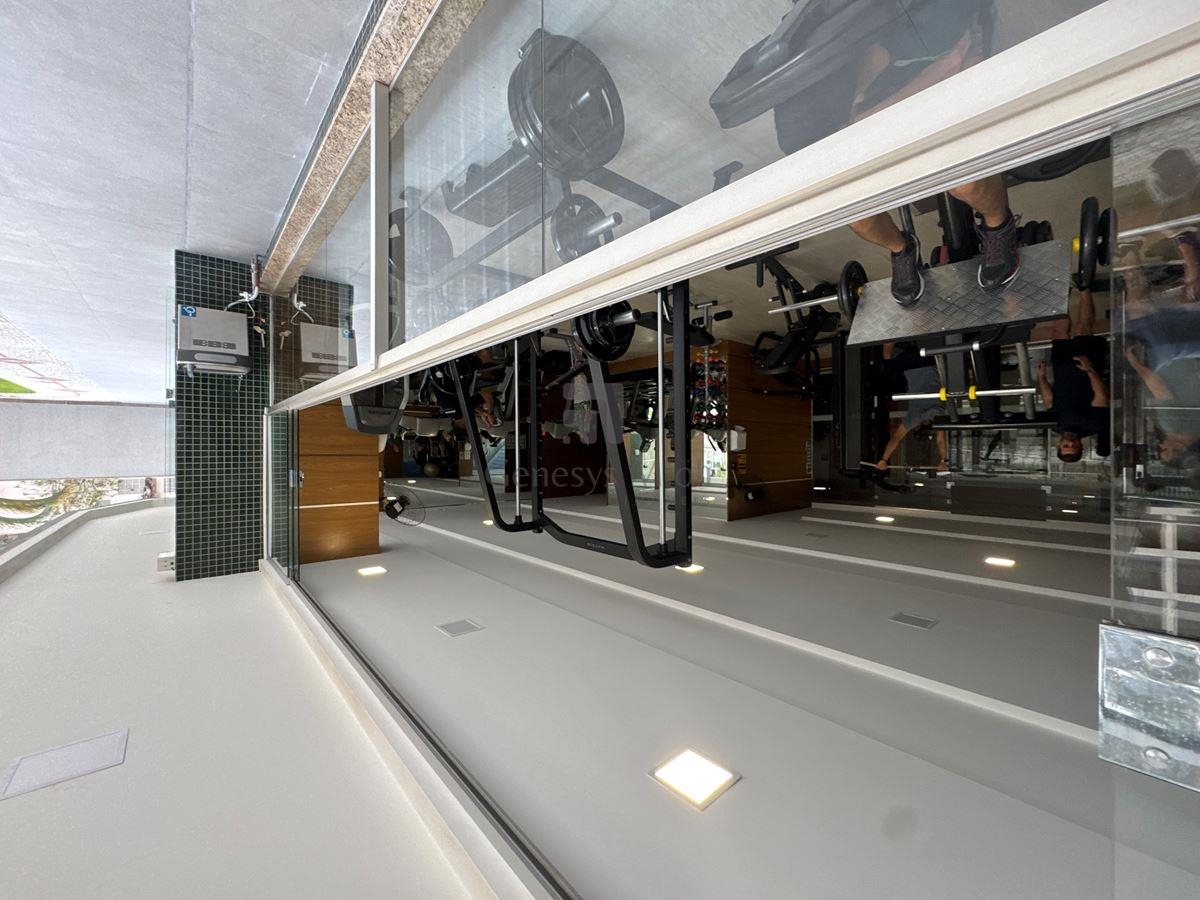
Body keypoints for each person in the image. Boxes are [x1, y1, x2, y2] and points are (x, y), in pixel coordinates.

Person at [1037, 287, 1110, 463]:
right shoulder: (1093, 425)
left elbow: (1049, 400)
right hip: (1086, 368)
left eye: (1065, 446)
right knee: (1082, 328)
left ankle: (1061, 293)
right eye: (1073, 446)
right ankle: (1085, 288)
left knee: (1058, 333)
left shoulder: (1055, 425)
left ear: (1058, 445)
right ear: (1081, 446)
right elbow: (1101, 396)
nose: (1069, 443)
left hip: (1062, 371)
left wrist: (1042, 377)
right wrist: (1090, 369)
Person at [875, 342, 950, 472]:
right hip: (910, 363)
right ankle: (889, 337)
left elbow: (940, 440)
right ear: (917, 427)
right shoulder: (913, 418)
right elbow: (896, 439)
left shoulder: (938, 414)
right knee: (887, 356)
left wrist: (944, 460)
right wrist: (883, 460)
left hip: (930, 359)